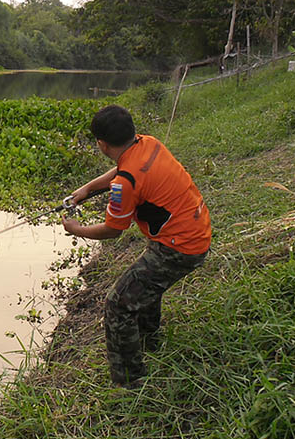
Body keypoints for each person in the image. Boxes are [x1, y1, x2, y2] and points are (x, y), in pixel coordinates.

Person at [61, 105, 211, 387]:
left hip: (180, 246)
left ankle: (129, 382)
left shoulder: (124, 185)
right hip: (195, 228)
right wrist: (87, 189)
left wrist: (77, 229)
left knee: (117, 305)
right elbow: (123, 168)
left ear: (101, 144)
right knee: (144, 286)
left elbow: (113, 229)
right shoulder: (148, 143)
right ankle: (149, 341)